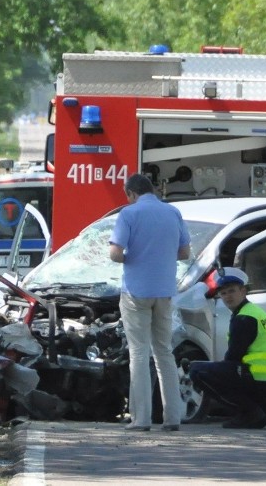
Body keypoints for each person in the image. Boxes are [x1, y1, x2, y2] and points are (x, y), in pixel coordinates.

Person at [109, 173, 190, 431]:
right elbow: (184, 252)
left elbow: (115, 254)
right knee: (164, 352)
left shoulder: (128, 214)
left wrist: (133, 256)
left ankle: (141, 419)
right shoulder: (173, 213)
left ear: (131, 193)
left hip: (136, 292)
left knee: (139, 353)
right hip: (165, 291)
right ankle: (173, 417)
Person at [188, 267, 266, 429]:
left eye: (232, 291)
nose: (228, 297)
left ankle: (250, 413)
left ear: (243, 291)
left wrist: (211, 369)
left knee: (197, 371)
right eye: (223, 293)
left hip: (258, 379)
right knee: (218, 370)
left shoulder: (244, 318)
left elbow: (234, 356)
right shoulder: (255, 312)